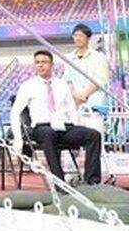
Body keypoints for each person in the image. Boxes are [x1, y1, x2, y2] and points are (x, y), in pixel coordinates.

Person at [10, 50, 102, 185]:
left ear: (52, 65)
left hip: (63, 127)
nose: (40, 65)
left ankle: (92, 181)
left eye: (44, 62)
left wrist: (75, 126)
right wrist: (18, 138)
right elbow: (15, 112)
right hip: (42, 127)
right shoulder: (28, 86)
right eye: (37, 62)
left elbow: (71, 109)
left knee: (93, 135)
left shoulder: (61, 84)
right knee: (48, 134)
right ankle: (59, 182)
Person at [65, 23, 111, 109]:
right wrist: (75, 96)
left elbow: (100, 79)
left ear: (88, 38)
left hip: (95, 102)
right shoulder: (68, 58)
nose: (78, 38)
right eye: (75, 35)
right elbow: (68, 80)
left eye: (81, 36)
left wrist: (84, 95)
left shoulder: (99, 57)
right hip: (74, 103)